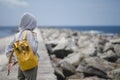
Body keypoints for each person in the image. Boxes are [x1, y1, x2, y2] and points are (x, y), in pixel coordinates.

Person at [5, 12, 40, 80]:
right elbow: (34, 49)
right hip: (30, 63)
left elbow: (8, 48)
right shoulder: (29, 33)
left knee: (20, 78)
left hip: (21, 62)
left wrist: (12, 60)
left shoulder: (17, 34)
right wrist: (35, 38)